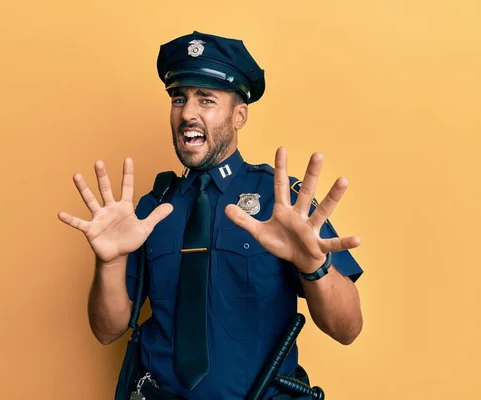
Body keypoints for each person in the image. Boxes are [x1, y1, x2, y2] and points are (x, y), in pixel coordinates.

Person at [58, 31, 364, 400]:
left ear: (239, 116)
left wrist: (315, 267)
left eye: (206, 100)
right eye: (178, 98)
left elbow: (347, 329)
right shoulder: (149, 211)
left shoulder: (282, 203)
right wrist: (108, 262)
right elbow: (107, 330)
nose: (187, 113)